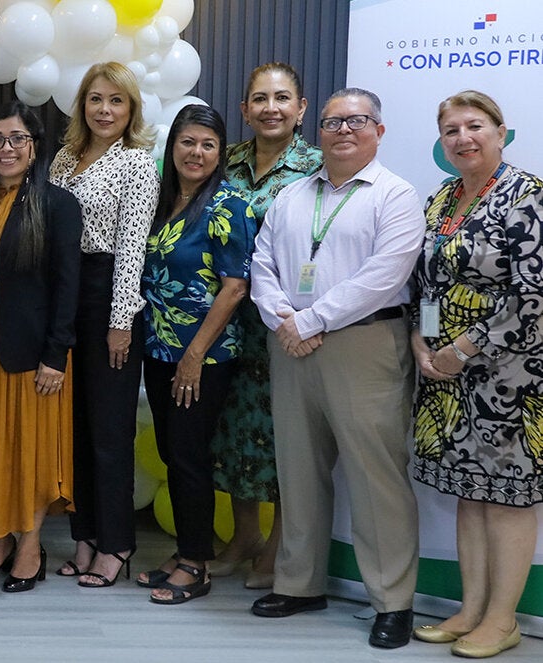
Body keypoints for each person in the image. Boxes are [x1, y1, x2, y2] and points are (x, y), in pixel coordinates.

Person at [248, 88, 423, 649]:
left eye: (357, 121)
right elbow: (261, 262)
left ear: (379, 130)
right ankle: (299, 584)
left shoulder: (396, 196)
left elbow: (385, 275)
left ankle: (392, 601)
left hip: (363, 345)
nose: (343, 130)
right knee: (298, 470)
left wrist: (312, 319)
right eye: (332, 122)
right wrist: (283, 317)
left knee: (376, 478)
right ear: (316, 130)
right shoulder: (293, 194)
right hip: (290, 343)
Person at [409, 91, 542, 658]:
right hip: (447, 375)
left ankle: (503, 620)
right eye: (451, 130)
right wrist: (421, 340)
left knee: (508, 497)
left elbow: (533, 296)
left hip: (509, 376)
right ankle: (471, 609)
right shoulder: (443, 199)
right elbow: (426, 283)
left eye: (474, 126)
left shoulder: (527, 195)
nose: (462, 138)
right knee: (470, 491)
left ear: (500, 133)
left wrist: (463, 349)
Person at [133, 105, 255, 605]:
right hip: (159, 348)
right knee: (172, 451)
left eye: (208, 144)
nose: (196, 153)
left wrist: (194, 355)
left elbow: (235, 287)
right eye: (187, 142)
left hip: (203, 357)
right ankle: (186, 550)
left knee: (188, 456)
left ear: (220, 152)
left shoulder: (229, 205)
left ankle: (196, 565)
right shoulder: (162, 201)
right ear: (173, 147)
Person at [46, 62, 159, 587]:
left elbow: (133, 248)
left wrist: (120, 322)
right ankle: (85, 536)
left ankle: (116, 543)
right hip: (64, 295)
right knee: (75, 429)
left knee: (109, 432)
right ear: (82, 105)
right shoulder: (63, 159)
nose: (105, 110)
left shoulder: (136, 163)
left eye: (116, 100)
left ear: (131, 108)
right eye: (96, 99)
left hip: (109, 295)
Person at [213, 62, 322, 590]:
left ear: (301, 109)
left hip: (287, 323)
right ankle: (243, 538)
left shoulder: (318, 166)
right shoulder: (225, 160)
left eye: (282, 98)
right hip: (228, 321)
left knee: (284, 436)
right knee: (234, 431)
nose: (270, 108)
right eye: (260, 99)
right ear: (244, 109)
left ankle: (277, 547)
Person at [0, 100, 81, 594]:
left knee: (28, 449)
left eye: (17, 139)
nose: (6, 148)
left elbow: (68, 286)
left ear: (35, 148)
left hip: (32, 347)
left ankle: (30, 544)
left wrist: (56, 355)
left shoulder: (57, 204)